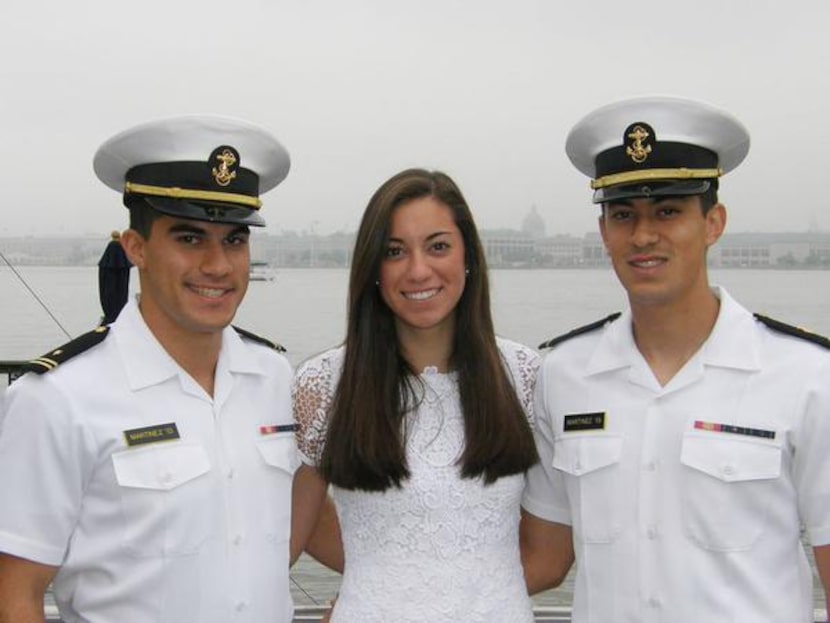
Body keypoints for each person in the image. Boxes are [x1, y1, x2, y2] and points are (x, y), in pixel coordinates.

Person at [521, 95, 830, 622]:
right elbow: (543, 559)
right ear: (603, 233)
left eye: (668, 211)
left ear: (714, 223)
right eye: (624, 215)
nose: (644, 235)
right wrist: (395, 594)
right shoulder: (563, 374)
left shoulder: (805, 376)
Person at [0, 115, 299, 623]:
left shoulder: (275, 376)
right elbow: (14, 594)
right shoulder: (57, 398)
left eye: (234, 240)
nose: (218, 265)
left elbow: (293, 524)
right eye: (189, 238)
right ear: (135, 248)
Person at [290, 168, 544, 622]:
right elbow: (288, 535)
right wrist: (376, 589)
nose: (418, 270)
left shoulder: (526, 377)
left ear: (468, 255)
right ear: (372, 267)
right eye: (394, 251)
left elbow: (553, 551)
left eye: (438, 246)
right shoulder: (322, 384)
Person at [97, 229, 132, 325]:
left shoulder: (110, 251)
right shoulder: (122, 256)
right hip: (120, 305)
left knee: (109, 294)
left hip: (109, 305)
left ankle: (112, 315)